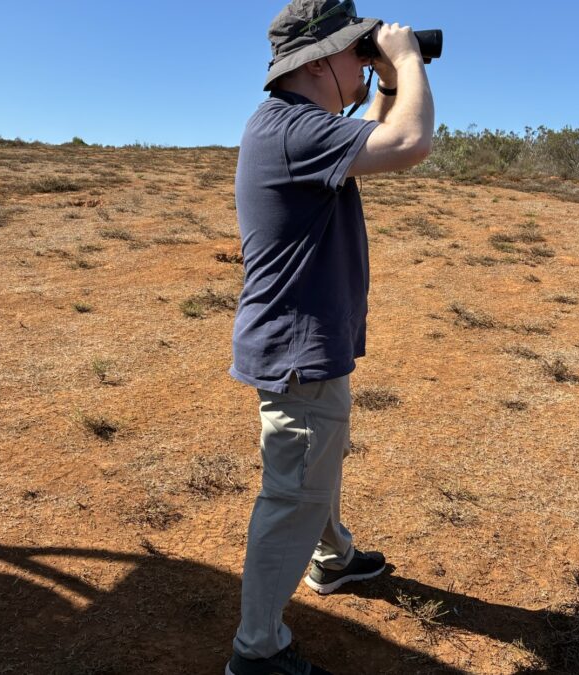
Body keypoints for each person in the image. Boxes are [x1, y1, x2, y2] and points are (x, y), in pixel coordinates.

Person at [227, 1, 434, 673]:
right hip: (298, 350)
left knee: (320, 459)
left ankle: (334, 559)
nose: (364, 58)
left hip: (309, 340)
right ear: (318, 62)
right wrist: (402, 59)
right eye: (356, 50)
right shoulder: (293, 129)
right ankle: (256, 650)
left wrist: (388, 84)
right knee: (295, 491)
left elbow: (373, 136)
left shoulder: (296, 125)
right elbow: (408, 144)